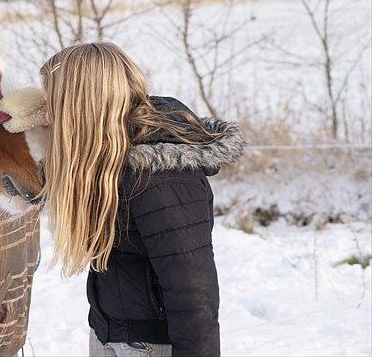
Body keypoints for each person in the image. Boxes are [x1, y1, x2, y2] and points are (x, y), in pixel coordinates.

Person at [38, 43, 243, 357]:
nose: (46, 112)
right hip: (110, 332)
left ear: (78, 104)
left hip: (150, 346)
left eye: (52, 101)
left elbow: (192, 290)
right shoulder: (108, 158)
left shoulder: (162, 177)